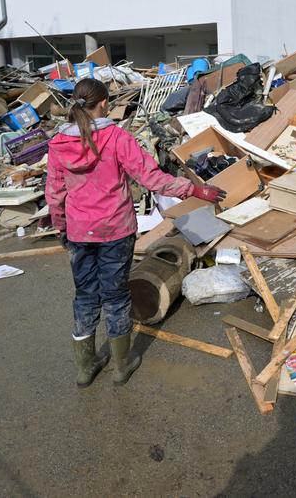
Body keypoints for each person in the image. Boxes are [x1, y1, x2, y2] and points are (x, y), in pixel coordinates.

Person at [45, 78, 226, 388]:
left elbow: (55, 193)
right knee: (115, 296)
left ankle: (85, 368)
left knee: (85, 298)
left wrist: (62, 226)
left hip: (79, 232)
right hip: (115, 230)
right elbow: (152, 178)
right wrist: (194, 189)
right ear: (103, 104)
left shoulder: (58, 144)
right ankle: (120, 365)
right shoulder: (117, 138)